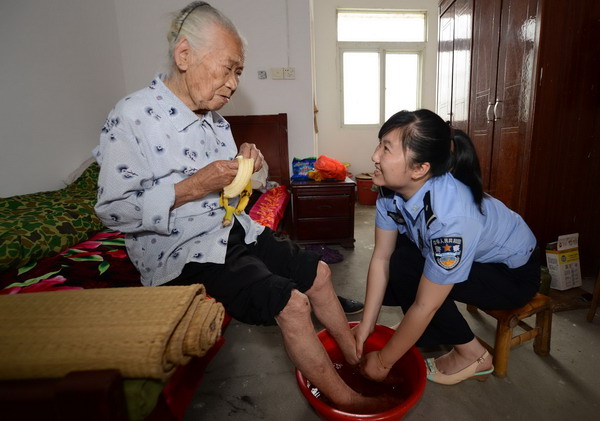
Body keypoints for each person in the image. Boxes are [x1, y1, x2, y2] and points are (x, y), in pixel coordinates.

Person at [93, 1, 373, 412]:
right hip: (179, 249)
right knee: (292, 304)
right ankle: (348, 400)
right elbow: (112, 212)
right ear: (184, 55)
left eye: (238, 72)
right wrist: (192, 186)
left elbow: (239, 194)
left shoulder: (217, 122)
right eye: (227, 68)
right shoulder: (133, 116)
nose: (233, 83)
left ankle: (354, 359)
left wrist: (252, 167)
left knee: (320, 272)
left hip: (230, 229)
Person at [354, 109, 540, 385]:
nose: (374, 156)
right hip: (479, 260)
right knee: (400, 261)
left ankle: (474, 355)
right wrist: (366, 325)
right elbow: (381, 257)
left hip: (512, 276)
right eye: (380, 143)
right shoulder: (389, 191)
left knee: (418, 280)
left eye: (386, 149)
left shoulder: (451, 220)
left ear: (420, 168)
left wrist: (383, 362)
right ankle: (426, 334)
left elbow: (426, 304)